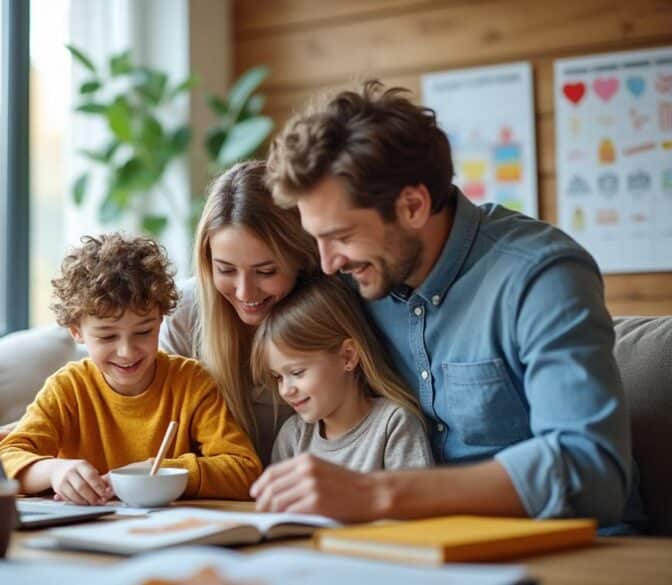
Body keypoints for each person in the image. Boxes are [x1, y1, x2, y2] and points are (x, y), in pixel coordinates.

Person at [252, 79, 641, 530]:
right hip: (420, 549)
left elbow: (590, 469)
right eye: (316, 239)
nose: (327, 261)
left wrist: (376, 493)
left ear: (413, 205)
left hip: (570, 548)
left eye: (341, 236)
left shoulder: (540, 276)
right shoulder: (356, 279)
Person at [0, 233, 261, 505]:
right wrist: (54, 471)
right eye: (108, 337)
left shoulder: (191, 383)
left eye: (144, 332)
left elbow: (245, 470)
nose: (127, 352)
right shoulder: (68, 388)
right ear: (76, 332)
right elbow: (5, 458)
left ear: (160, 319)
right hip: (87, 534)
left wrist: (161, 472)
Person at [160, 160, 322, 464]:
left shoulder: (329, 316)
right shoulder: (183, 313)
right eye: (226, 270)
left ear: (301, 258)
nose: (245, 292)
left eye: (266, 271)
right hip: (210, 496)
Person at [252, 275, 433, 470]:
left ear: (348, 356)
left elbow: (418, 500)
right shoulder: (292, 437)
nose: (285, 391)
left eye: (297, 372)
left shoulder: (393, 425)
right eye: (278, 377)